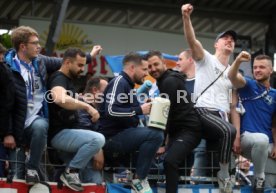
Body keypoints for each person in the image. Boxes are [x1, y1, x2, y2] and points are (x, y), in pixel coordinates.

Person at [182, 4, 238, 193]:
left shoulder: (232, 72)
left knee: (214, 166)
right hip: (203, 111)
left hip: (220, 118)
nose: (229, 41)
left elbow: (233, 103)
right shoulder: (206, 58)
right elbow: (192, 41)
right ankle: (225, 175)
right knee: (229, 131)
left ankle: (221, 176)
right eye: (225, 38)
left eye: (232, 40)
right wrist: (186, 17)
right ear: (216, 44)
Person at [4, 25, 65, 184]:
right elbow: (4, 106)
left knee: (40, 126)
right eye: (35, 43)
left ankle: (31, 167)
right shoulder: (6, 68)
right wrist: (8, 133)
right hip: (16, 127)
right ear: (23, 46)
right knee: (17, 177)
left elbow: (66, 61)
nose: (39, 47)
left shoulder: (40, 62)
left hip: (35, 121)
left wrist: (90, 56)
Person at [99, 52, 164, 193]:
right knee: (156, 135)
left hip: (122, 137)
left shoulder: (127, 85)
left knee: (155, 168)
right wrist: (139, 110)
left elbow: (128, 114)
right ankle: (139, 180)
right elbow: (111, 111)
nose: (147, 74)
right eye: (144, 69)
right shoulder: (119, 82)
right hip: (112, 139)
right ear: (133, 68)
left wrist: (141, 108)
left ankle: (139, 181)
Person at [47, 48, 105, 191]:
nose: (83, 69)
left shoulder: (68, 79)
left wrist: (91, 54)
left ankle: (70, 173)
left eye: (84, 65)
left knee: (94, 180)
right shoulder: (59, 78)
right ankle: (71, 172)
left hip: (71, 135)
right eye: (79, 65)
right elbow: (59, 98)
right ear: (67, 62)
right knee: (97, 139)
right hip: (59, 134)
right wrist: (87, 107)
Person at [146, 50, 201, 193]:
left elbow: (166, 113)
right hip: (178, 132)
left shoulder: (169, 81)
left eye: (156, 64)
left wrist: (161, 143)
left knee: (170, 162)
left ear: (164, 63)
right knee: (181, 172)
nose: (153, 69)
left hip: (189, 131)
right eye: (149, 67)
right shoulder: (165, 80)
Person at [228, 52, 276, 191]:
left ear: (270, 70)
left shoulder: (275, 94)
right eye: (255, 67)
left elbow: (274, 124)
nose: (257, 70)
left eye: (261, 67)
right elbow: (232, 76)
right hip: (247, 139)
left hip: (268, 145)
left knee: (269, 186)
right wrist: (237, 61)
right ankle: (258, 176)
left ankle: (262, 185)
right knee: (262, 139)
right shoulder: (248, 85)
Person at [176, 49, 208, 180]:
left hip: (202, 133)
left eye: (180, 59)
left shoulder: (205, 82)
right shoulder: (178, 83)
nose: (177, 63)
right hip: (181, 133)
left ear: (190, 60)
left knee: (198, 177)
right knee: (180, 175)